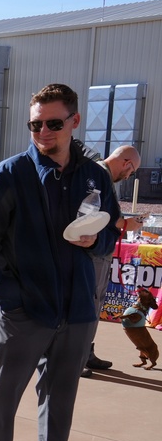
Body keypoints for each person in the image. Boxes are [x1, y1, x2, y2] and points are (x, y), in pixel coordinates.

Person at [0, 83, 119, 441]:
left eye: (53, 123)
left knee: (60, 400)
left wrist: (98, 239)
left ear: (74, 121)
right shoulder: (11, 174)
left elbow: (109, 234)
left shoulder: (95, 176)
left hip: (75, 312)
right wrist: (10, 301)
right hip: (23, 315)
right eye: (35, 124)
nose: (43, 132)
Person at [82, 144, 141, 377]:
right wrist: (126, 224)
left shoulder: (98, 175)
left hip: (99, 252)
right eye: (132, 171)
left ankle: (84, 351)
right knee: (87, 307)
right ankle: (76, 356)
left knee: (93, 306)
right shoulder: (98, 175)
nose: (128, 176)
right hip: (94, 253)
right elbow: (98, 214)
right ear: (126, 163)